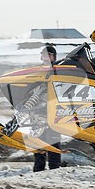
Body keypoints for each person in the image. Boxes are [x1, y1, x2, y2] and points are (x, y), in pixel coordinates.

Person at [33, 43, 62, 172]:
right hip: (38, 111)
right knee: (37, 141)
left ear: (53, 57)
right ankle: (38, 170)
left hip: (54, 111)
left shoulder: (59, 71)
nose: (45, 57)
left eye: (48, 55)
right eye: (43, 55)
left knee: (54, 141)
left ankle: (55, 169)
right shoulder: (36, 71)